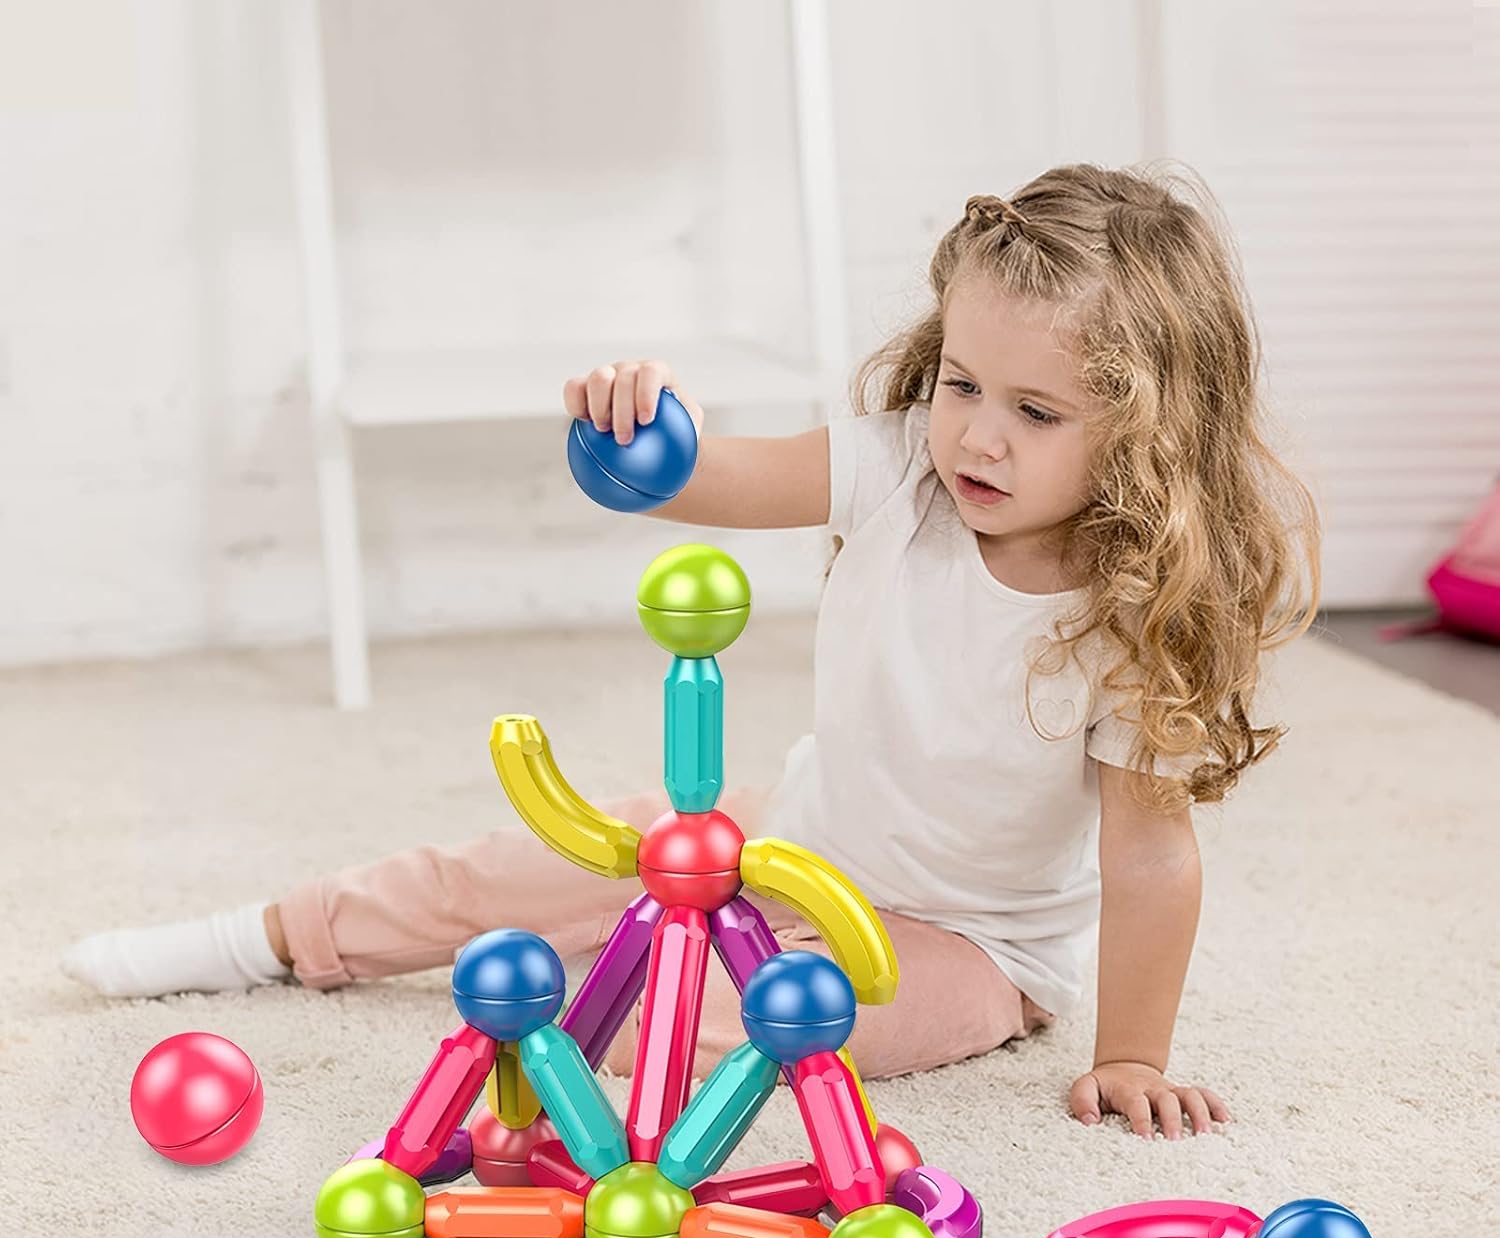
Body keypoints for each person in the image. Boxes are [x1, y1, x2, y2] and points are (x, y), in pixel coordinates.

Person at [62, 163, 1320, 1139]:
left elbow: (1152, 859)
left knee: (769, 1022)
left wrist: (1132, 1056)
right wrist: (639, 437)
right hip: (798, 841)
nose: (977, 438)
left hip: (974, 951)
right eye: (961, 385)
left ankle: (533, 993)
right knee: (531, 858)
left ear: (1150, 439)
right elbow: (705, 478)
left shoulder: (1131, 617)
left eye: (1034, 413)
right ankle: (273, 939)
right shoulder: (896, 470)